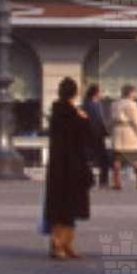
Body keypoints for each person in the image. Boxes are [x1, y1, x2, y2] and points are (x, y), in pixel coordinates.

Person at [44, 77, 97, 260]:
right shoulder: (73, 114)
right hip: (73, 164)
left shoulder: (56, 112)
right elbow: (87, 137)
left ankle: (63, 243)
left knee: (62, 205)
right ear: (74, 93)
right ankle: (61, 244)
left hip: (58, 165)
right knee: (69, 205)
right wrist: (85, 119)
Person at [110, 82, 137, 191]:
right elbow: (136, 120)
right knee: (134, 157)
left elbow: (112, 119)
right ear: (130, 92)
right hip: (129, 132)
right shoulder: (132, 104)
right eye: (135, 92)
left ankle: (116, 182)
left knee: (117, 158)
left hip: (118, 131)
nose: (136, 94)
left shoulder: (115, 104)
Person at [83, 82, 113, 190]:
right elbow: (96, 120)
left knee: (94, 159)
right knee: (99, 159)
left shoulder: (92, 104)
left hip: (94, 134)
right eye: (101, 92)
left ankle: (96, 181)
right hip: (93, 134)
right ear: (96, 93)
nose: (102, 94)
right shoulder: (91, 105)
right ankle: (100, 181)